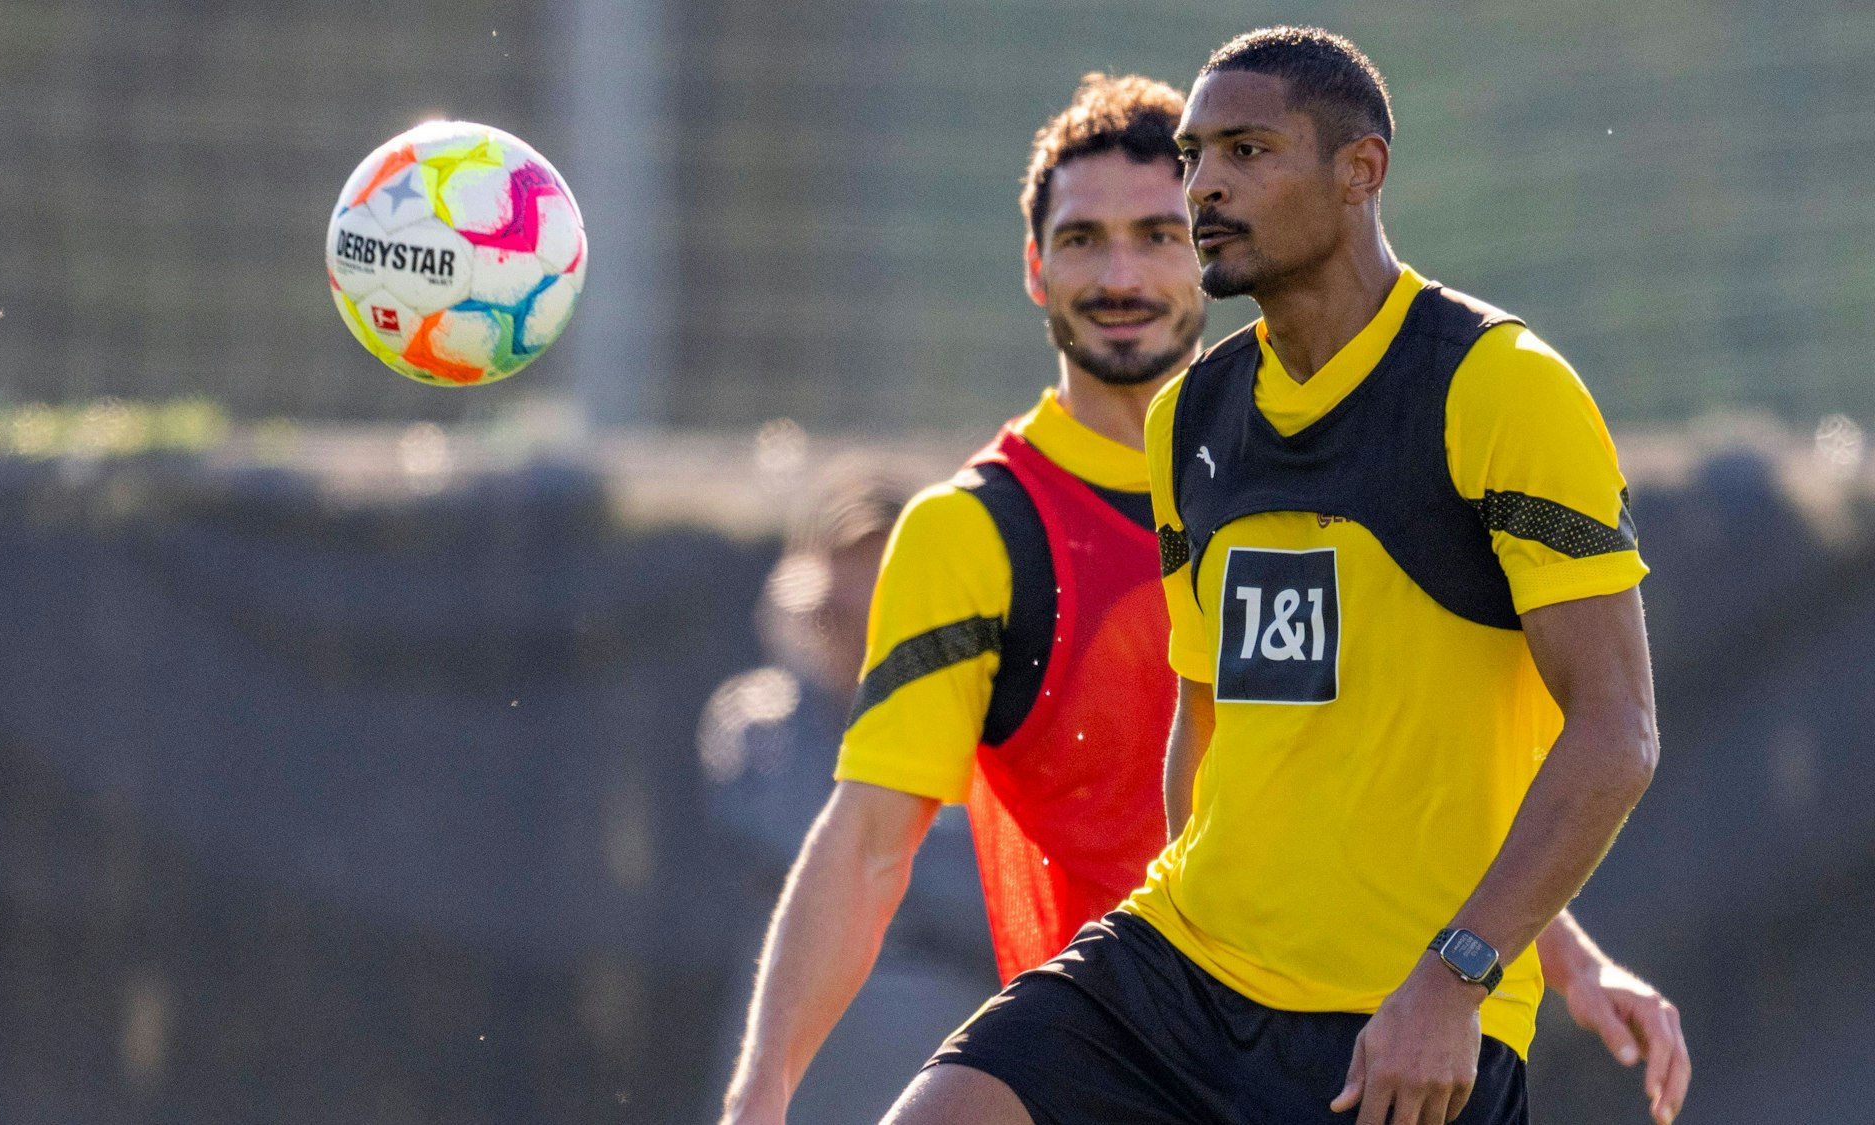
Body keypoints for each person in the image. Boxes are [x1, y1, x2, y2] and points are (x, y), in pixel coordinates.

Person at [728, 65, 1687, 1125]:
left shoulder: (1483, 389)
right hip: (1160, 991)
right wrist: (760, 1092)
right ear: (1032, 269)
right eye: (1087, 236)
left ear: (1358, 173)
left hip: (1387, 1011)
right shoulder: (1030, 505)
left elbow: (1498, 751)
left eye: (1229, 165)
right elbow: (873, 838)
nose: (1190, 206)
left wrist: (1506, 959)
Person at [698, 463, 997, 1123]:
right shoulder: (757, 724)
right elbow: (782, 821)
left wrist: (872, 866)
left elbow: (990, 904)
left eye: (888, 595)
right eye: (846, 596)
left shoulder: (990, 739)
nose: (865, 618)